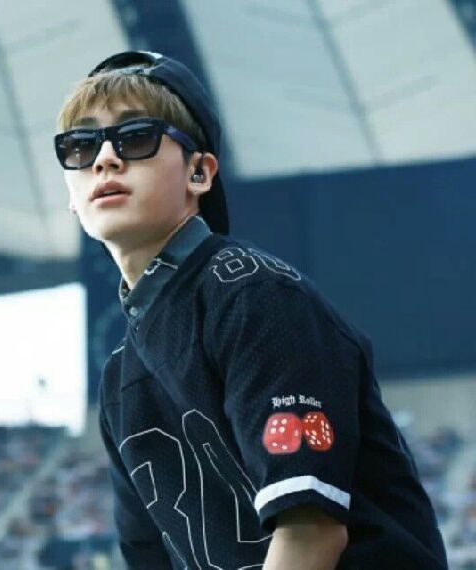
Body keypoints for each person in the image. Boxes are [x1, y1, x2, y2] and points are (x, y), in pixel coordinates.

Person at [54, 50, 448, 569]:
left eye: (136, 137)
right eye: (81, 146)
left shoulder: (256, 297)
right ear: (71, 195)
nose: (105, 158)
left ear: (199, 172)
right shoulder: (118, 380)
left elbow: (310, 534)